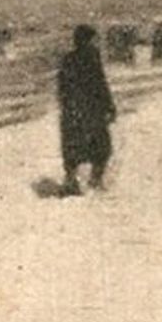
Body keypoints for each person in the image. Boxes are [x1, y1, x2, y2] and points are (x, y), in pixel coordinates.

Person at [56, 25, 117, 195]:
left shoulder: (67, 59)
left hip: (73, 112)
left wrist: (67, 107)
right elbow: (100, 84)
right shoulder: (92, 57)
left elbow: (62, 88)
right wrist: (109, 107)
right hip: (92, 111)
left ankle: (71, 180)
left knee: (73, 148)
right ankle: (95, 179)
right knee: (102, 148)